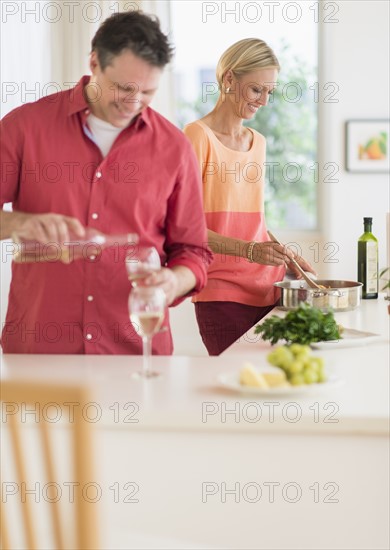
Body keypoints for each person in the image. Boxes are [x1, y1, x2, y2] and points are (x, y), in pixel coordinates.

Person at [0, 11, 212, 355]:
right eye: (123, 87)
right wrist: (21, 223)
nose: (133, 102)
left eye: (147, 91)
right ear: (94, 62)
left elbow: (193, 252)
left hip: (136, 352)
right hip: (40, 351)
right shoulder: (23, 128)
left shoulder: (175, 148)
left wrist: (174, 281)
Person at [184, 38, 315, 355]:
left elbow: (252, 221)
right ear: (229, 79)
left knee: (280, 384)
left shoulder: (258, 142)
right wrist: (249, 250)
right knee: (239, 387)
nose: (264, 101)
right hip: (222, 292)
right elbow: (184, 229)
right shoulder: (196, 137)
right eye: (257, 90)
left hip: (270, 288)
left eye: (269, 92)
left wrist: (285, 256)